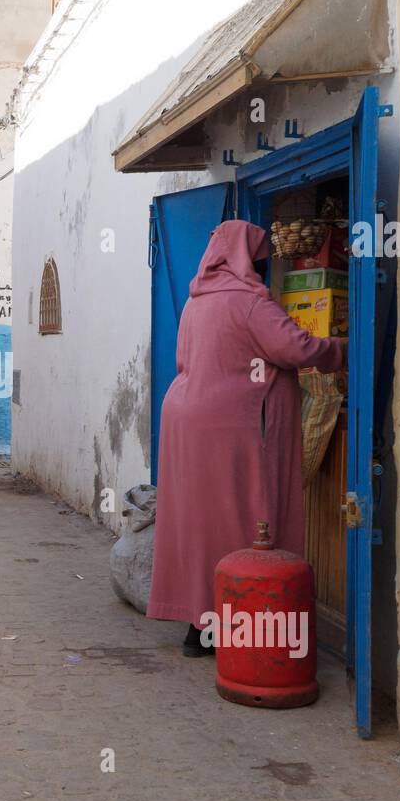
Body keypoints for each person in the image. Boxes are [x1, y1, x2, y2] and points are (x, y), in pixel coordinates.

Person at [147, 220, 346, 656]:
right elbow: (297, 349)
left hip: (185, 420)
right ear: (248, 257)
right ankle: (239, 620)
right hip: (231, 427)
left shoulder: (198, 300)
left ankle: (200, 624)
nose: (263, 264)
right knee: (244, 518)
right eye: (260, 256)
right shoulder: (250, 303)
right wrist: (343, 348)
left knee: (198, 521)